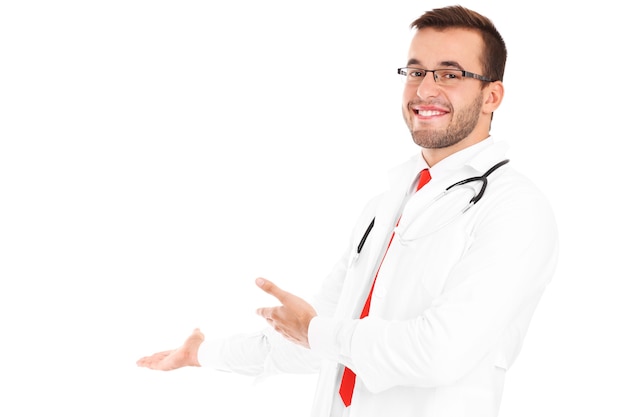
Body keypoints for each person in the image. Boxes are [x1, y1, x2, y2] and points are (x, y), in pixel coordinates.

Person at [136, 5, 559, 417]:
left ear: (492, 96)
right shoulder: (389, 204)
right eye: (415, 72)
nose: (425, 90)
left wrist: (316, 331)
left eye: (449, 74)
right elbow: (311, 340)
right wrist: (203, 353)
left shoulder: (515, 208)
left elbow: (438, 353)